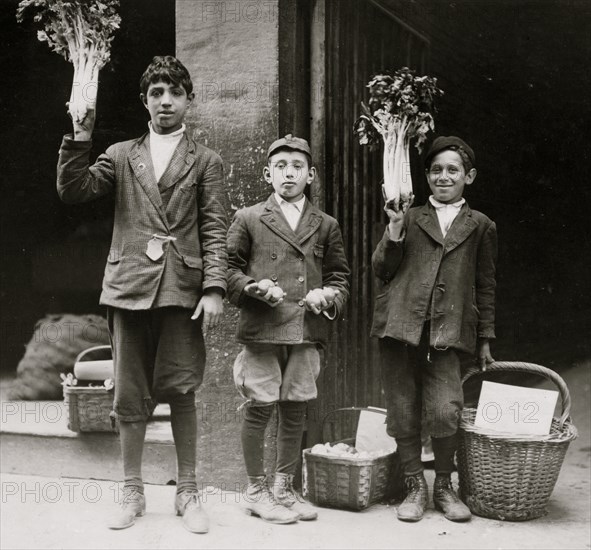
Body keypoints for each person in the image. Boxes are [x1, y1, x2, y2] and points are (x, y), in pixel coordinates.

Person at [56, 56, 228, 534]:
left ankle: (188, 492)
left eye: (174, 92)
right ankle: (131, 491)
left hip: (181, 290)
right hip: (128, 286)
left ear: (189, 99)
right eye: (156, 93)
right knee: (130, 395)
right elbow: (73, 190)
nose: (166, 101)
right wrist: (80, 135)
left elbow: (215, 229)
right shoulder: (119, 154)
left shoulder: (207, 161)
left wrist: (214, 288)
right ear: (144, 101)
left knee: (181, 390)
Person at [371, 136, 497, 523]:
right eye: (437, 170)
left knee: (445, 411)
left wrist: (486, 337)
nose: (444, 177)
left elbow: (485, 284)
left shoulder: (480, 226)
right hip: (401, 329)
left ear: (469, 177)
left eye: (453, 170)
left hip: (448, 332)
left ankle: (444, 484)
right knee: (402, 411)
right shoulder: (408, 217)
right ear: (426, 176)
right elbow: (381, 269)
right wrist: (393, 229)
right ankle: (414, 485)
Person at [227, 134, 350, 524]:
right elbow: (227, 271)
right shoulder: (248, 217)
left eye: (297, 167)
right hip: (263, 330)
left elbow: (341, 278)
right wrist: (253, 287)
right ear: (268, 173)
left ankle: (284, 487)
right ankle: (255, 490)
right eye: (280, 166)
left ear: (310, 175)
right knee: (260, 407)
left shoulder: (326, 224)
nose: (289, 173)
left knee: (296, 409)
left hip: (305, 330)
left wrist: (327, 296)